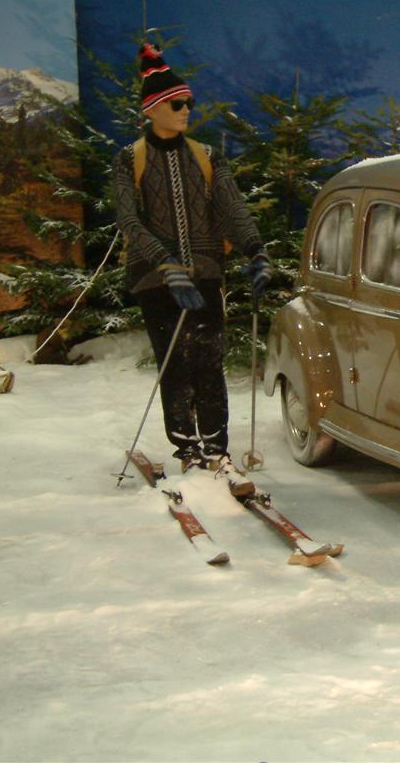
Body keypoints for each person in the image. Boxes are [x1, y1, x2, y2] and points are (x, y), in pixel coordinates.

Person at [113, 44, 272, 477]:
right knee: (174, 363)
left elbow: (231, 207)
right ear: (152, 109)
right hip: (154, 277)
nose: (186, 111)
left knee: (208, 359)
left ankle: (216, 448)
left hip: (204, 274)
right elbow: (128, 220)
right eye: (177, 104)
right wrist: (164, 264)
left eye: (189, 103)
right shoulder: (129, 159)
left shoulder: (207, 157)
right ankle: (187, 447)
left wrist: (255, 249)